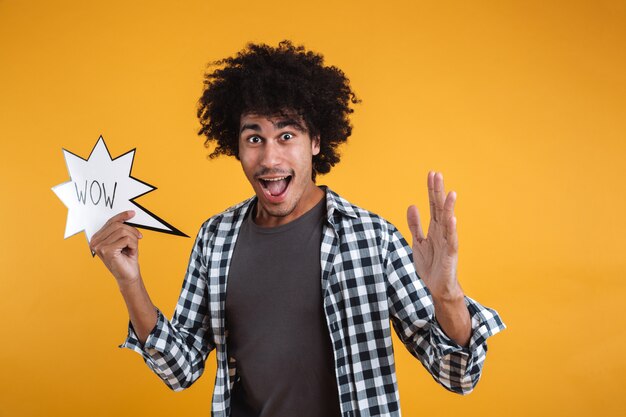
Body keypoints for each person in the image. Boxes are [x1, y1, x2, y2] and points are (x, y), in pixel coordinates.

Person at [90, 40, 505, 417]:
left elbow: (458, 375)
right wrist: (130, 282)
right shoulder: (215, 239)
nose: (270, 158)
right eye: (254, 138)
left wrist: (447, 294)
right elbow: (179, 370)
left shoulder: (372, 239)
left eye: (286, 135)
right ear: (234, 145)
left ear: (316, 142)